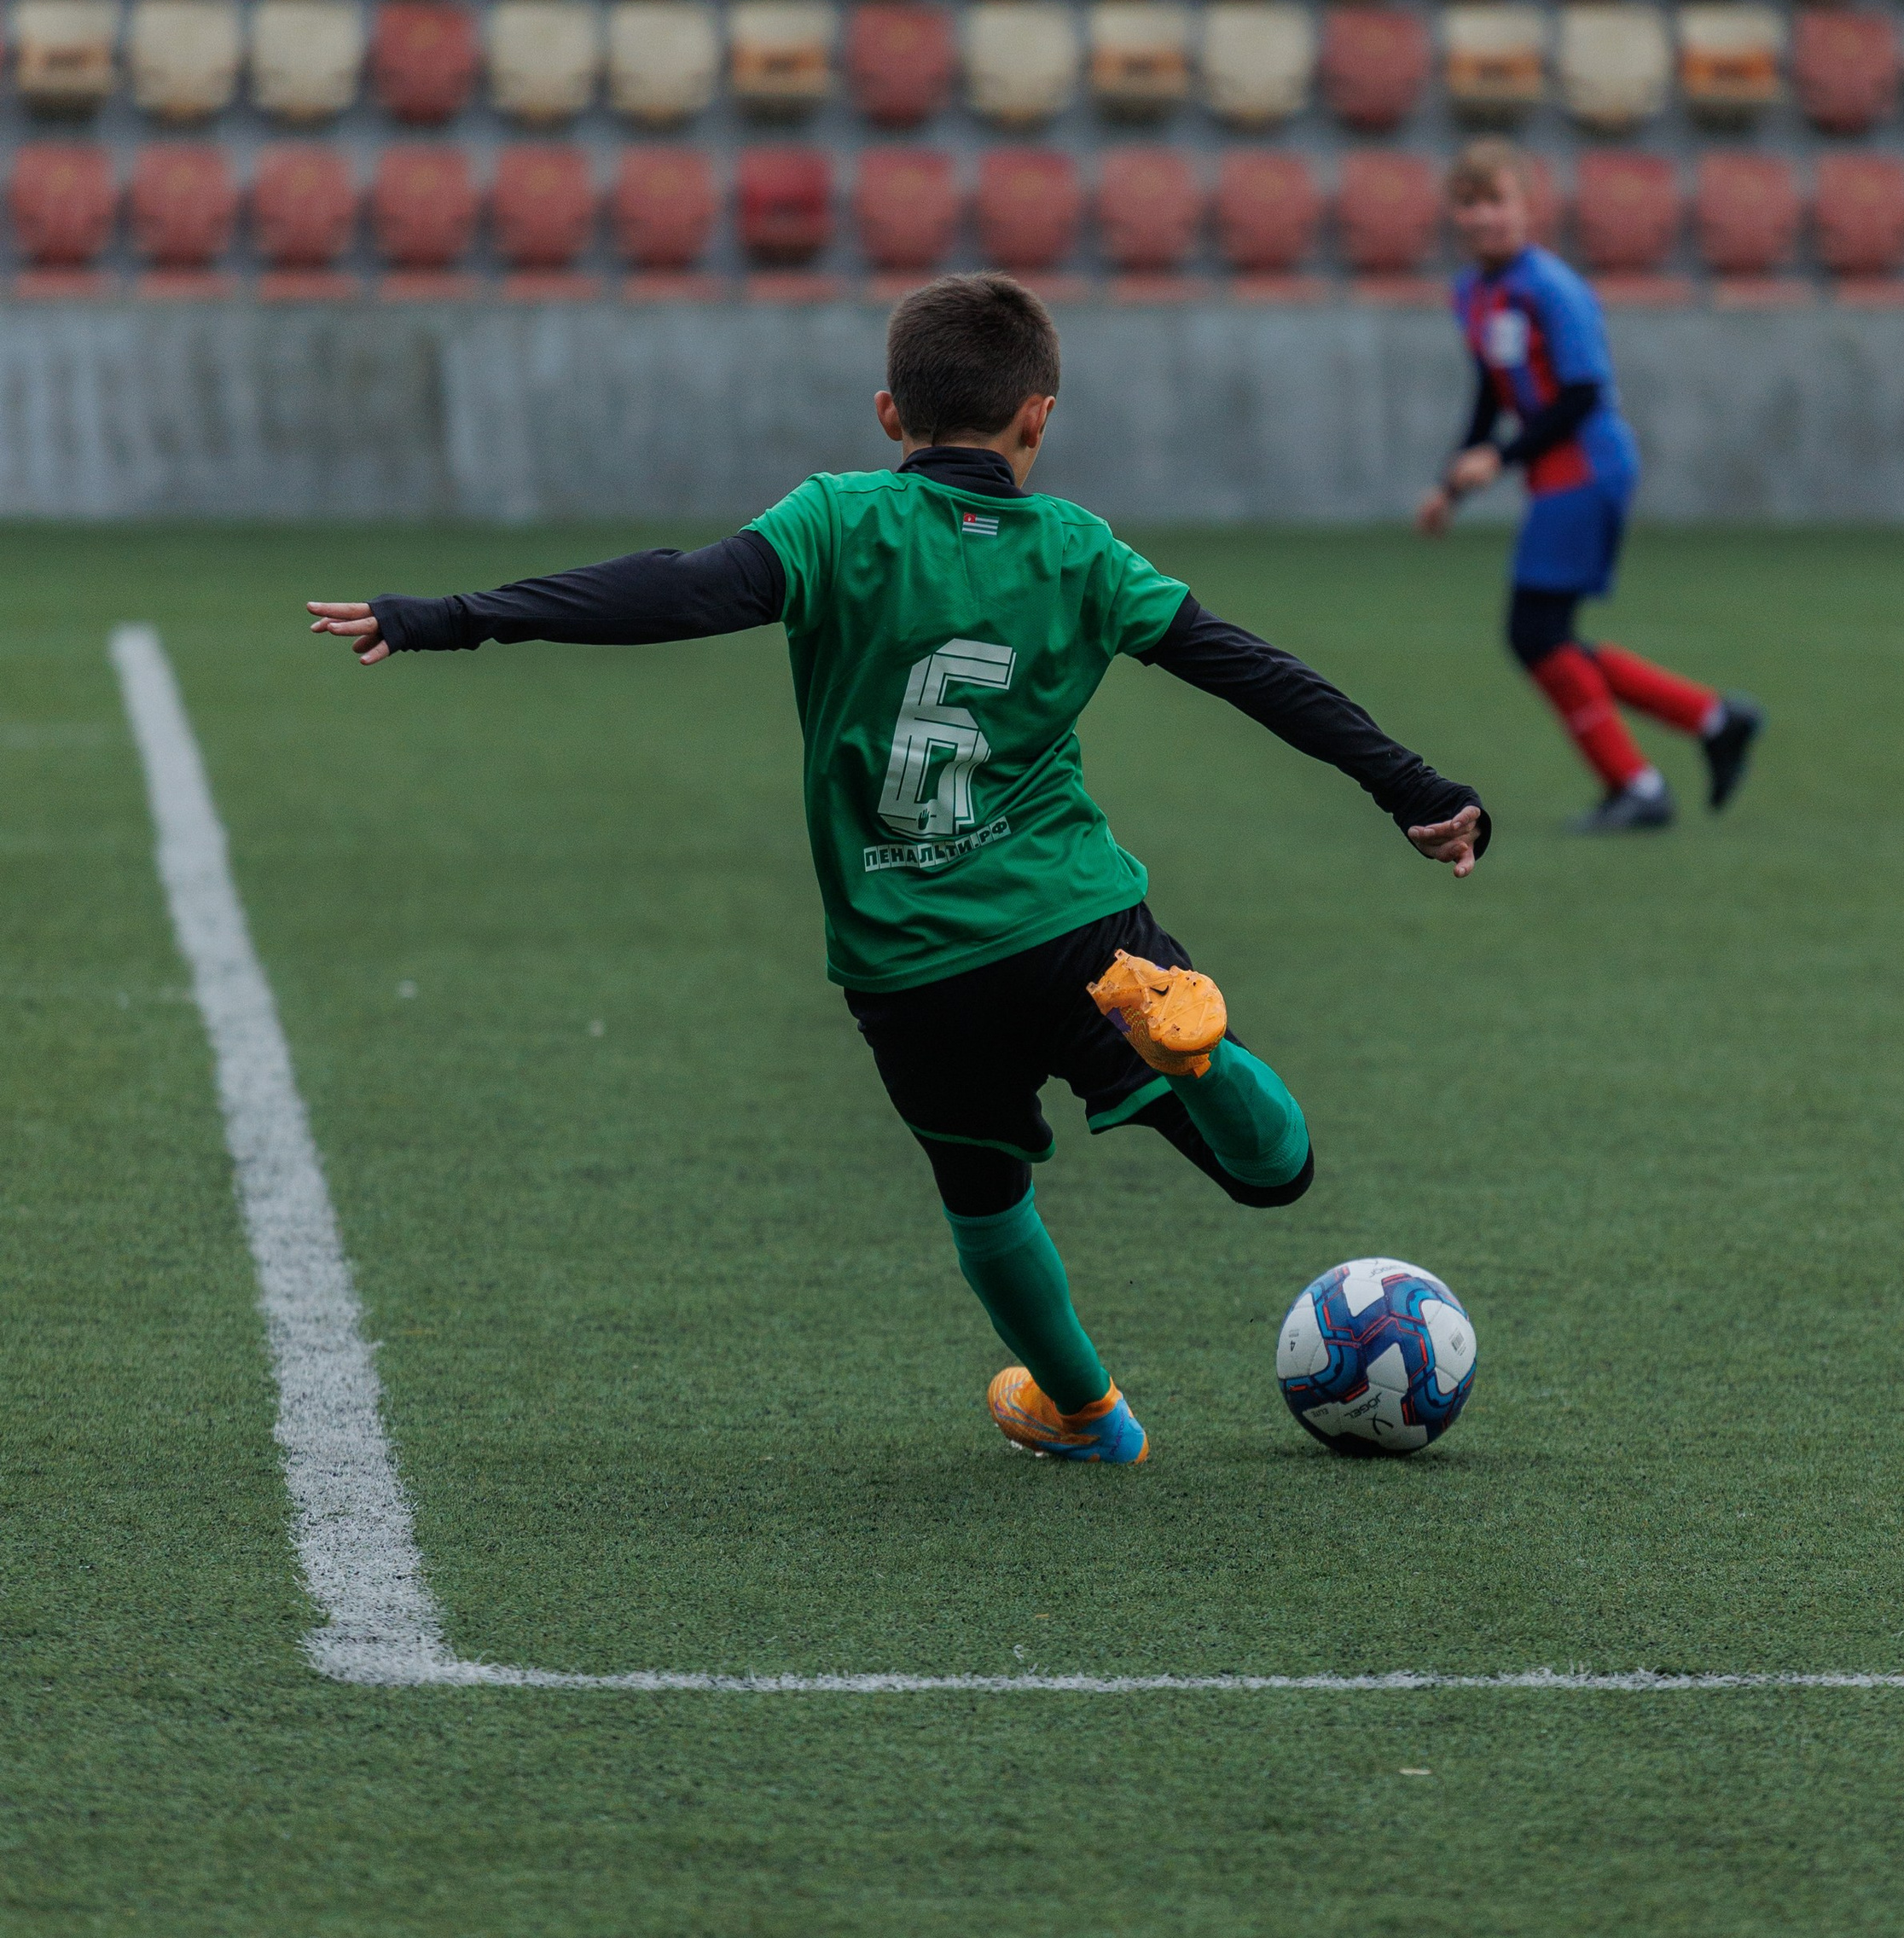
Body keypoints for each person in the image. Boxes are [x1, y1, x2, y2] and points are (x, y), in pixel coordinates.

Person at [310, 275, 1490, 1471]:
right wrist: (1414, 789)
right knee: (1273, 1173)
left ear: (890, 413)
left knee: (983, 1198)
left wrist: (451, 615)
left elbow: (676, 589)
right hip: (1079, 928)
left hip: (912, 962)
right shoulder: (1078, 550)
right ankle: (1196, 1051)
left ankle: (1089, 1417)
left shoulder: (836, 521)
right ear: (1039, 417)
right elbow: (1250, 668)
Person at [1415, 137, 1763, 834]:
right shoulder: (1473, 293)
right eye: (1471, 202)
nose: (1486, 216)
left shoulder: (1551, 287)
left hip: (1588, 470)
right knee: (1549, 636)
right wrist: (1452, 485)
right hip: (1557, 475)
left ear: (1526, 207)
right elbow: (1490, 386)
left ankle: (1639, 783)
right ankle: (1712, 722)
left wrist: (1502, 459)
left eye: (1498, 200)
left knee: (1536, 633)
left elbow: (1580, 393)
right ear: (1455, 214)